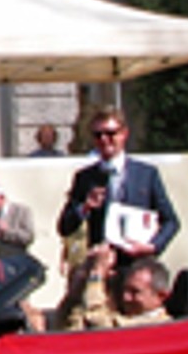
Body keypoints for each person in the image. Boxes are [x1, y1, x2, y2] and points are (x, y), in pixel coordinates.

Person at [57, 107, 179, 261]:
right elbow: (64, 226)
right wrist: (85, 207)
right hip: (101, 263)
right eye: (98, 135)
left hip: (138, 262)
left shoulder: (146, 174)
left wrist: (153, 246)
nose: (104, 139)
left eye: (110, 133)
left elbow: (171, 221)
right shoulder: (85, 177)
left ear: (124, 134)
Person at [80, 244, 171, 328]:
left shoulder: (160, 325)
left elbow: (97, 320)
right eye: (125, 290)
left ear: (161, 296)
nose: (125, 297)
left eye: (134, 292)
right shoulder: (125, 315)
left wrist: (97, 273)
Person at [0, 183, 35, 249]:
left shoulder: (22, 211)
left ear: (1, 197)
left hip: (16, 256)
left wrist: (7, 231)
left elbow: (29, 238)